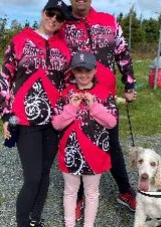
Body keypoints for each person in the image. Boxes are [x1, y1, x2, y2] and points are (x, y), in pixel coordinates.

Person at [59, 0, 137, 219]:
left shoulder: (109, 21)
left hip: (104, 98)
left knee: (111, 145)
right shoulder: (63, 25)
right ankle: (79, 198)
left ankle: (124, 191)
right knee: (77, 145)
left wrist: (129, 84)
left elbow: (122, 53)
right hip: (75, 97)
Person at [0, 0, 71, 227]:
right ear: (43, 12)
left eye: (59, 17)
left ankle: (34, 219)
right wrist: (6, 114)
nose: (53, 19)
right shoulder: (20, 40)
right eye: (51, 13)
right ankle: (21, 222)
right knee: (32, 177)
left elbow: (68, 83)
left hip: (53, 122)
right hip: (25, 120)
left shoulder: (65, 48)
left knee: (46, 174)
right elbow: (5, 78)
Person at [52, 51, 118, 227]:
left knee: (92, 193)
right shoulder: (66, 93)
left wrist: (94, 106)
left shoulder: (104, 93)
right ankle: (69, 224)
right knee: (70, 192)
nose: (83, 75)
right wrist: (71, 108)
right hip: (70, 152)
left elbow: (111, 122)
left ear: (95, 70)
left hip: (95, 154)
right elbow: (57, 124)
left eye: (87, 70)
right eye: (79, 70)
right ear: (73, 71)